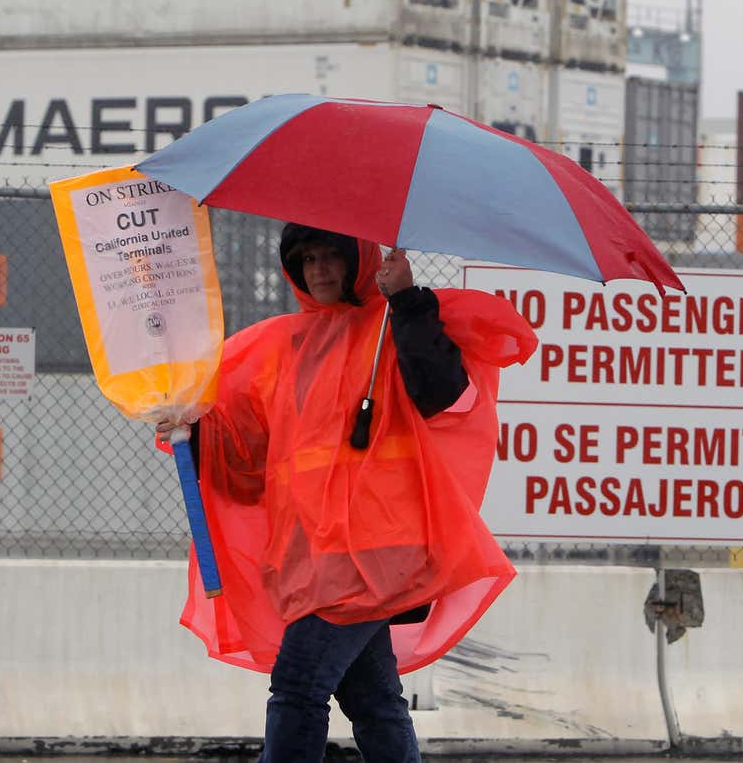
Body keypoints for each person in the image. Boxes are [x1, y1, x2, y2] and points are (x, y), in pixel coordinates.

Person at [158, 223, 539, 763]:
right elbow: (246, 456)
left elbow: (442, 394)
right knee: (372, 698)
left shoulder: (392, 325)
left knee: (297, 686)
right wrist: (190, 427)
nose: (319, 269)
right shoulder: (283, 346)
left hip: (372, 549)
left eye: (332, 256)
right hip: (316, 553)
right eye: (307, 258)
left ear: (357, 262)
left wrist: (405, 298)